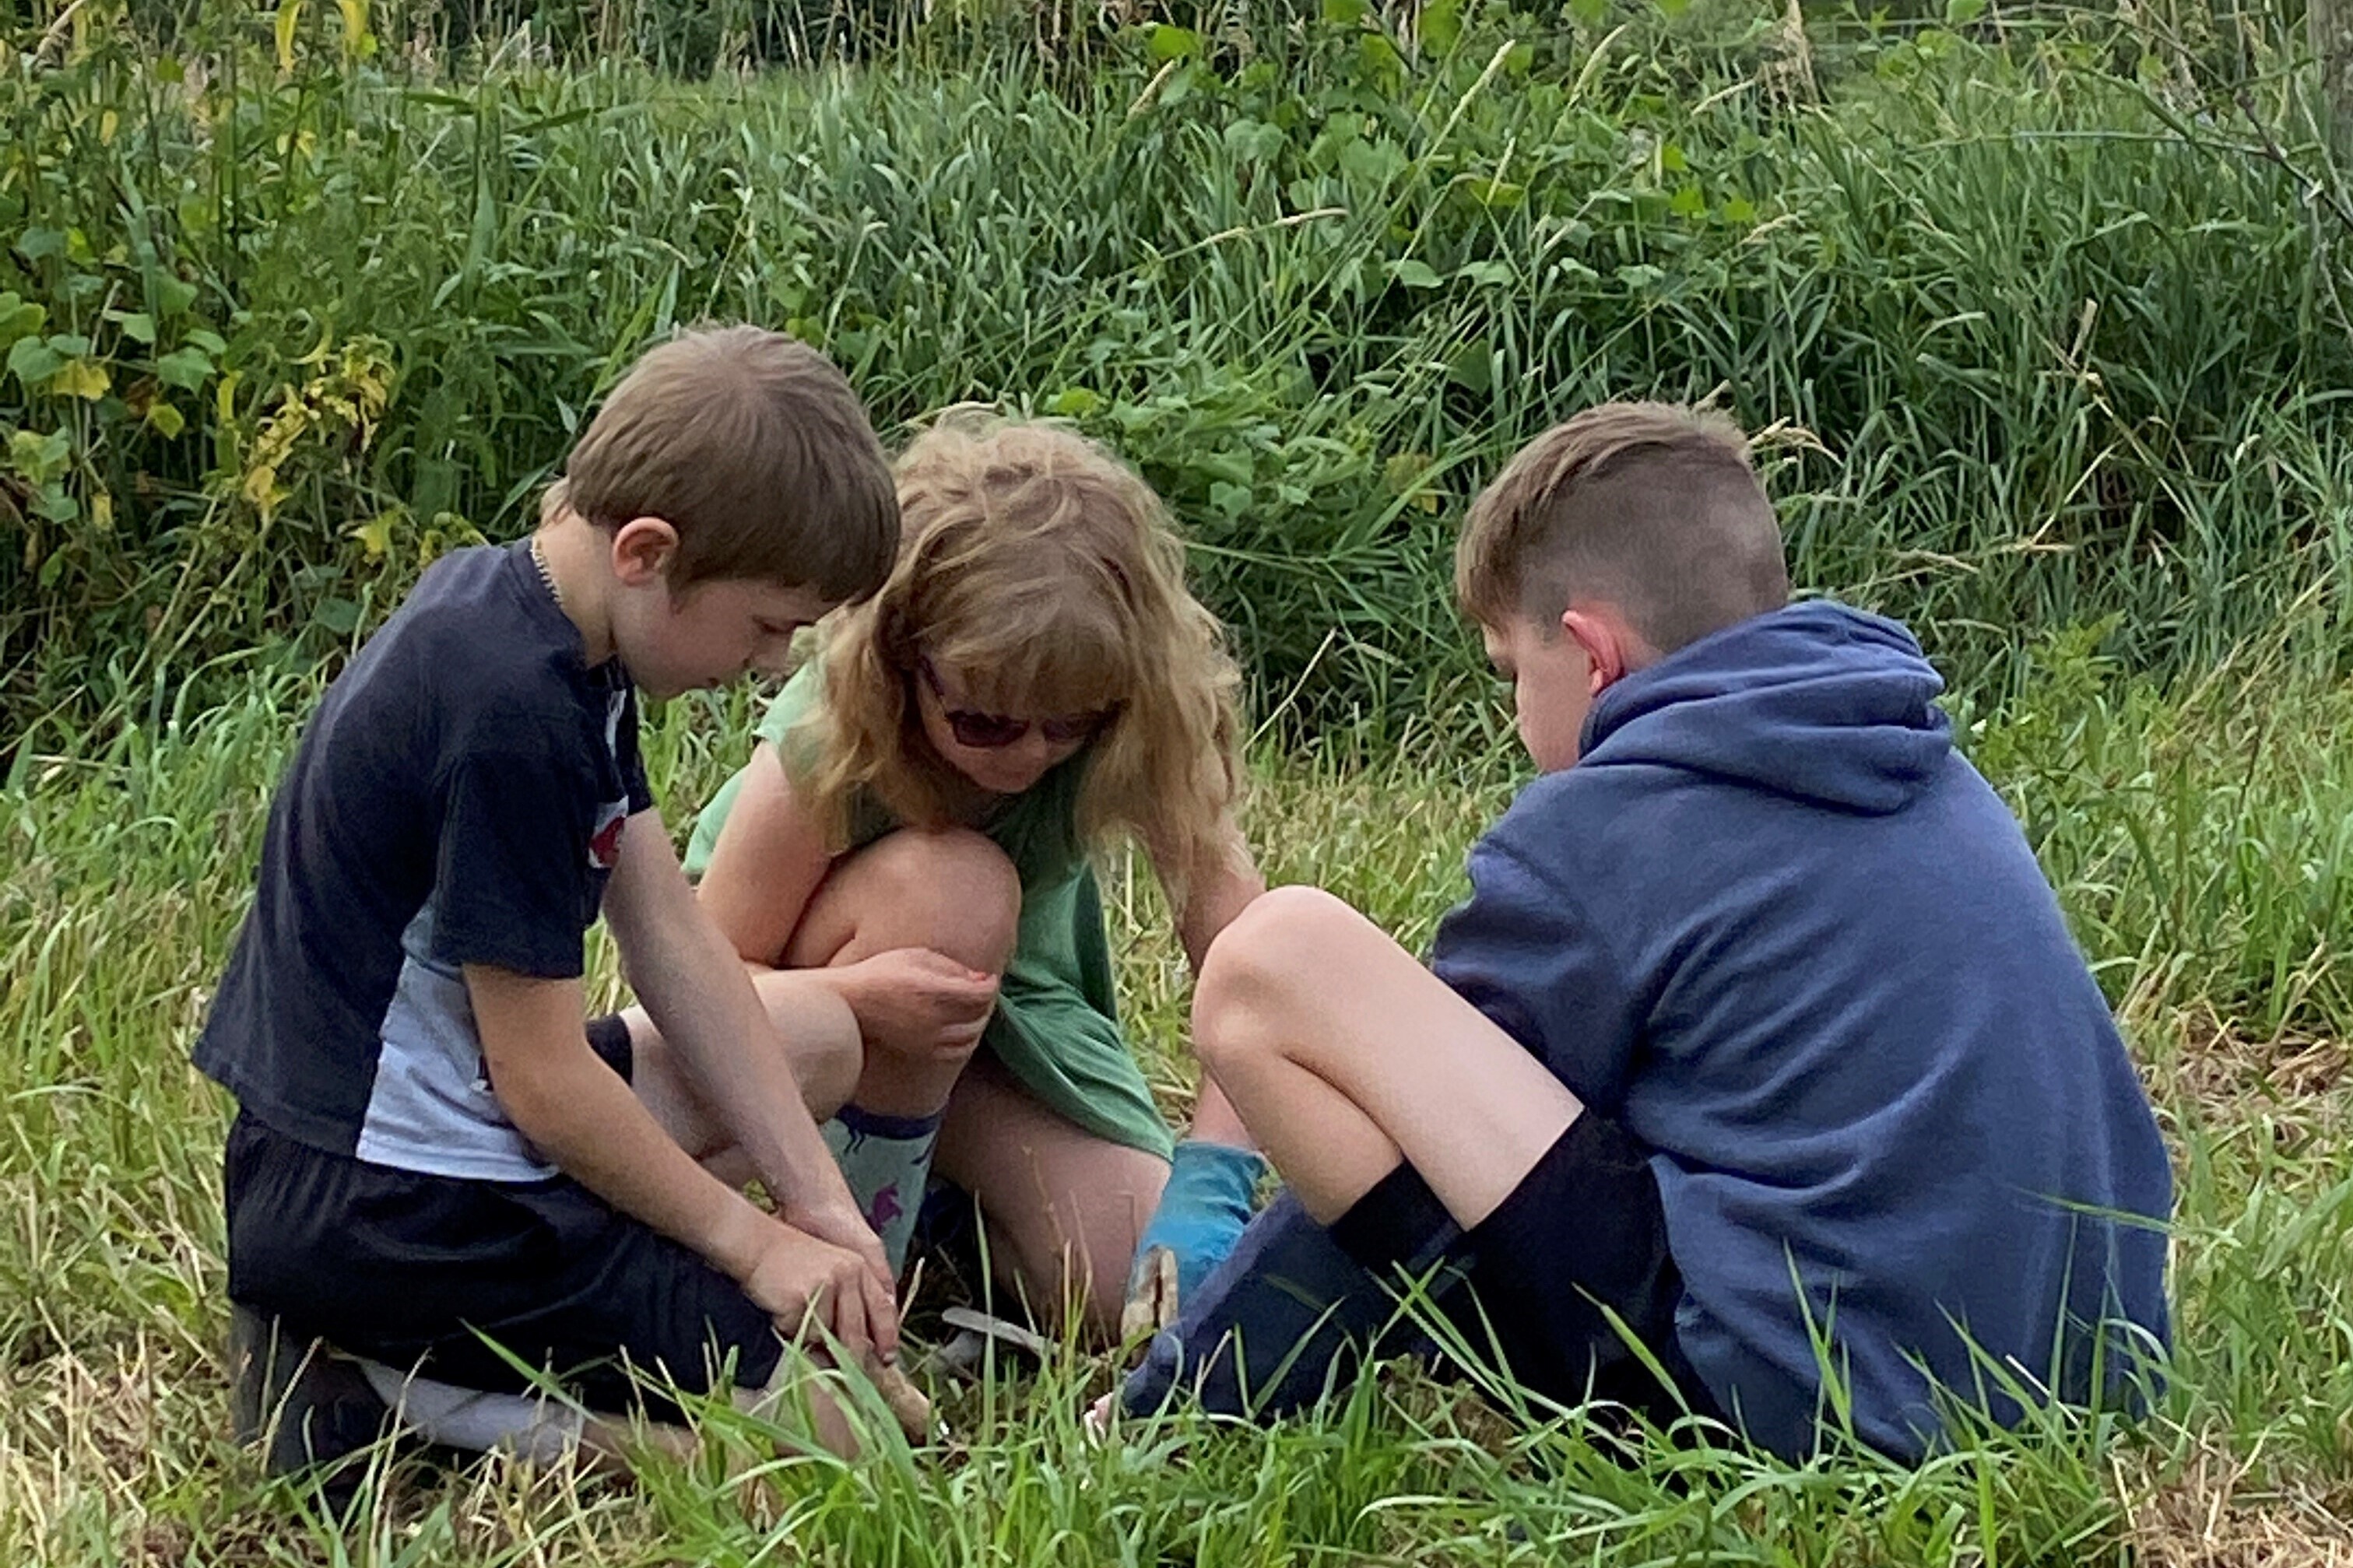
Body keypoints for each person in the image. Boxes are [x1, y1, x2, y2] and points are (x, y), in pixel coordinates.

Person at [1115, 401, 2174, 1462]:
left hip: (1811, 1424)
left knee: (1275, 963)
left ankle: (1192, 1421)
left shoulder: (1606, 830)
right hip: (2085, 1379)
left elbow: (1430, 1140)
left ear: (1589, 652)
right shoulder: (1918, 760)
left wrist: (1165, 1405)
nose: (1513, 717)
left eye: (1508, 673)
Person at [200, 325, 912, 1474]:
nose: (775, 659)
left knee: (817, 1035)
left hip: (413, 1136)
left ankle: (513, 1322)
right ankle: (386, 1401)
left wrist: (818, 1202)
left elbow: (668, 928)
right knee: (849, 1433)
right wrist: (750, 1246)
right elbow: (538, 1080)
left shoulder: (551, 627)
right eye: (766, 621)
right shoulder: (508, 714)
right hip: (392, 1206)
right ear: (646, 548)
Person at [609, 414, 1269, 1339]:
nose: (1032, 754)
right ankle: (865, 1235)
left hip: (1002, 1022)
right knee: (952, 889)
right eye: (986, 723)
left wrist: (1213, 1177)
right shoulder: (828, 737)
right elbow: (699, 986)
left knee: (1132, 1282)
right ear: (902, 662)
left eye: (1070, 725)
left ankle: (945, 1212)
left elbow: (1257, 976)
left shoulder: (1138, 718)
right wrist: (855, 995)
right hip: (814, 1007)